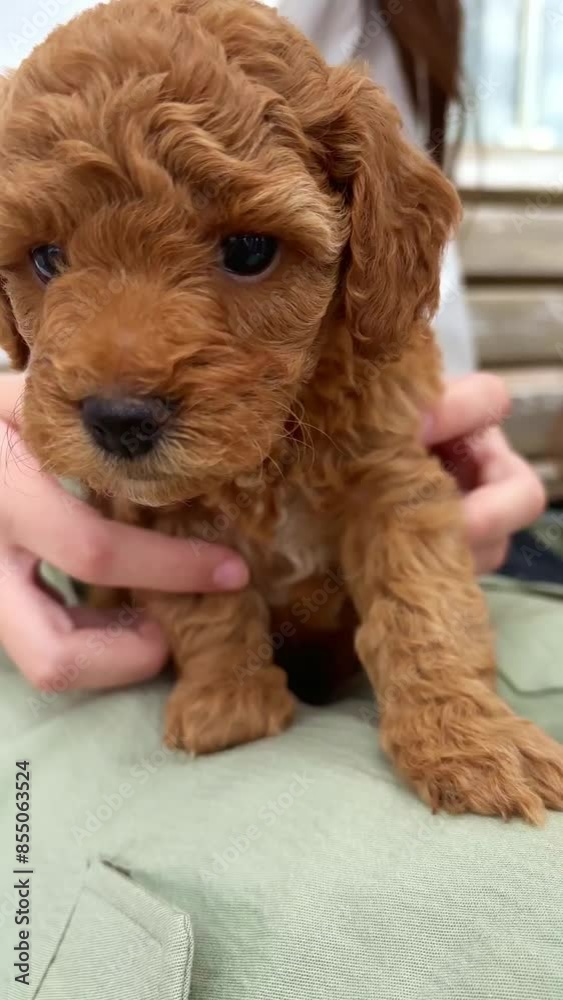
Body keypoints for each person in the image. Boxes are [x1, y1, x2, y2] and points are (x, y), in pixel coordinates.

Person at [0, 0, 545, 693]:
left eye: (247, 252)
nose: (125, 379)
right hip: (84, 613)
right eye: (50, 261)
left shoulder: (369, 82)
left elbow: (406, 320)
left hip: (469, 547)